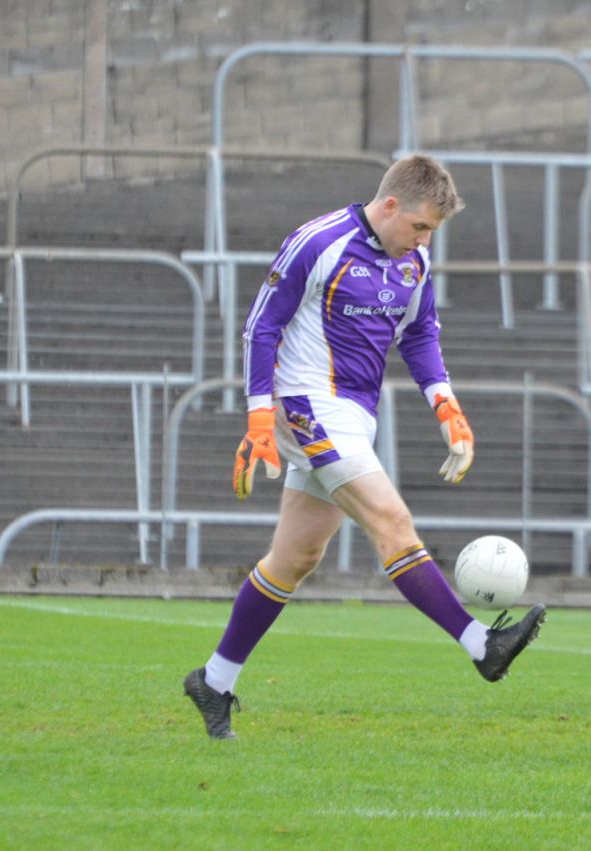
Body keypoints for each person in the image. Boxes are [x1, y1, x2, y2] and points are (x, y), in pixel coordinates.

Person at [183, 154, 546, 740]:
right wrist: (256, 419)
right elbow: (261, 325)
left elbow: (422, 331)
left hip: (355, 416)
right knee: (391, 520)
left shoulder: (414, 261)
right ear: (391, 205)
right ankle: (482, 645)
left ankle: (214, 681)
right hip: (304, 403)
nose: (424, 241)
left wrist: (446, 405)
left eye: (431, 233)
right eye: (420, 227)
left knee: (295, 558)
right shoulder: (319, 241)